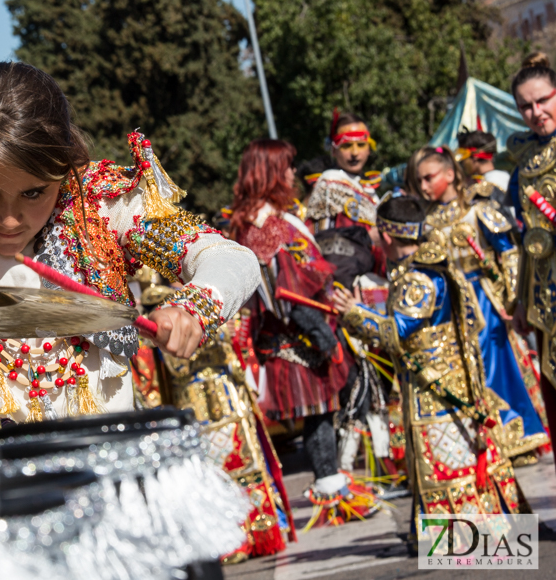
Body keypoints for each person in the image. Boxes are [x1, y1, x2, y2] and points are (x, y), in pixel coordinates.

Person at [0, 62, 261, 454]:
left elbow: (231, 258)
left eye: (34, 193)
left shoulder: (102, 206)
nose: (9, 219)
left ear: (66, 164)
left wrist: (194, 308)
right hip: (0, 495)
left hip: (112, 478)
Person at [333, 196, 525, 516]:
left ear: (387, 236)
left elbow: (396, 334)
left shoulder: (415, 279)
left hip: (433, 388)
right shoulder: (429, 267)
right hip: (448, 379)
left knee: (446, 463)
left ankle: (461, 534)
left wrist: (355, 315)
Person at [229, 138, 380, 528]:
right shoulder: (272, 226)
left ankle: (331, 487)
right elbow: (293, 295)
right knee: (317, 414)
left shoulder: (252, 221)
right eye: (287, 167)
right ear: (271, 173)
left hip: (285, 335)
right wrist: (327, 340)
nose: (294, 174)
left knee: (319, 415)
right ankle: (332, 492)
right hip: (298, 336)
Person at [407, 146, 549, 464]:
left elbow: (508, 251)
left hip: (483, 300)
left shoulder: (477, 208)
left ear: (449, 174)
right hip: (449, 308)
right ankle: (485, 438)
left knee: (495, 364)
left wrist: (515, 297)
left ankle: (517, 436)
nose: (425, 186)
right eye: (420, 180)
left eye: (429, 177)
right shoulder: (427, 221)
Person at [163, 310, 294, 563]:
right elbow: (175, 364)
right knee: (215, 473)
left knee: (248, 463)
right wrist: (218, 331)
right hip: (197, 404)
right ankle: (232, 538)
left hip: (230, 397)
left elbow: (237, 356)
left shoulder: (217, 300)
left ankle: (262, 529)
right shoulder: (165, 309)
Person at [506, 51, 556, 480]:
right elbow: (527, 240)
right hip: (547, 302)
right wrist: (521, 299)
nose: (536, 112)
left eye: (543, 100)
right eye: (526, 106)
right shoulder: (522, 165)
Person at [303, 112, 382, 235]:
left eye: (360, 145)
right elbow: (324, 239)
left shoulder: (368, 186)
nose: (354, 152)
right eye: (347, 146)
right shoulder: (329, 184)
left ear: (369, 148)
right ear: (334, 150)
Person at [457, 128, 510, 192]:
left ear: (475, 156)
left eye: (464, 156)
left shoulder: (493, 181)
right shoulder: (503, 177)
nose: (462, 162)